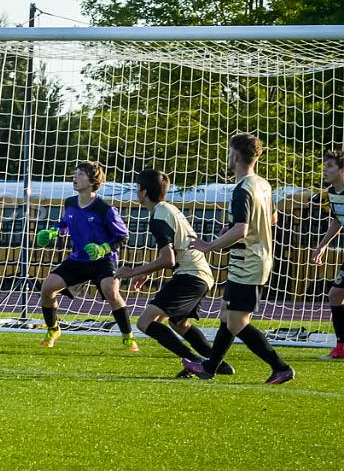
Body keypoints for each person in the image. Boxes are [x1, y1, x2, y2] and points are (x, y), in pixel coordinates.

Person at [182, 134, 294, 384]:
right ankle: (210, 367)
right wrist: (233, 227)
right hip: (254, 258)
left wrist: (208, 245)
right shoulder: (262, 184)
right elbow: (272, 219)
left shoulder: (242, 189)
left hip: (248, 262)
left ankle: (280, 367)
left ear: (234, 156)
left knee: (236, 322)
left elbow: (242, 230)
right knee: (225, 315)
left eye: (228, 152)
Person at [115, 169, 233, 377]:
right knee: (179, 323)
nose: (136, 192)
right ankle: (217, 364)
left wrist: (133, 271)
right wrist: (147, 272)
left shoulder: (159, 216)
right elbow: (172, 253)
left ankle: (196, 362)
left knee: (145, 322)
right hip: (200, 273)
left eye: (136, 188)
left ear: (143, 192)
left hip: (191, 275)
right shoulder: (168, 209)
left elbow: (168, 260)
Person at [35, 161, 137, 351]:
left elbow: (123, 236)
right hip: (78, 260)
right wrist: (53, 231)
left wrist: (103, 248)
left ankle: (128, 336)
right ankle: (53, 329)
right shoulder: (70, 202)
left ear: (92, 181)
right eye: (74, 173)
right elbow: (65, 224)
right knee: (47, 288)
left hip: (103, 261)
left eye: (80, 174)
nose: (74, 177)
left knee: (111, 291)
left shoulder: (104, 209)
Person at [311, 150, 344, 360]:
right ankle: (341, 347)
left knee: (336, 294)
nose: (325, 169)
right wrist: (322, 245)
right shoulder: (332, 192)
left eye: (330, 165)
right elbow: (337, 220)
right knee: (336, 295)